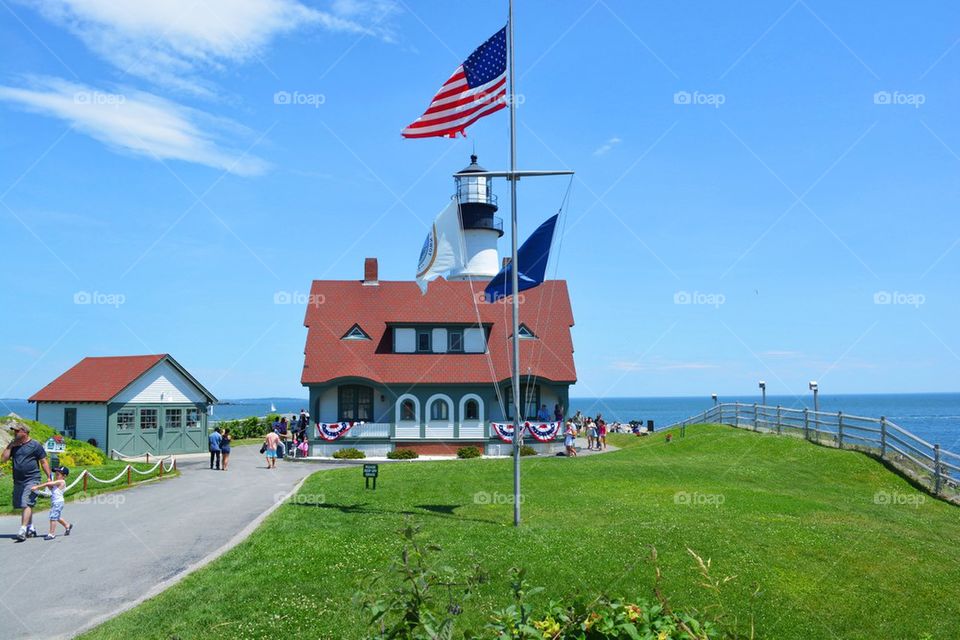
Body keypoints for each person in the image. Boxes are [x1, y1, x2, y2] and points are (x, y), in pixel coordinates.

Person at [2, 423, 52, 542]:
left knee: (26, 502)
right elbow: (3, 459)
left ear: (24, 432)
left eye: (17, 431)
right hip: (18, 480)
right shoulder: (14, 445)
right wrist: (10, 445)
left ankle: (22, 530)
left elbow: (43, 462)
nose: (14, 433)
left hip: (32, 478)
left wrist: (49, 477)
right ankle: (31, 527)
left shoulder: (35, 445)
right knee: (24, 504)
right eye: (14, 431)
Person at [30, 466, 73, 540]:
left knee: (53, 517)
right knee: (57, 517)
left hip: (58, 502)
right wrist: (49, 481)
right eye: (56, 474)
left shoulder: (62, 482)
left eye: (58, 474)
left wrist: (37, 487)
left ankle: (51, 534)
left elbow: (47, 484)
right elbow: (51, 488)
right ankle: (67, 525)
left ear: (64, 476)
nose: (56, 475)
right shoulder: (57, 483)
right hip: (56, 502)